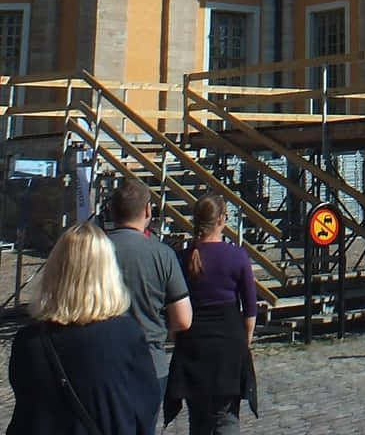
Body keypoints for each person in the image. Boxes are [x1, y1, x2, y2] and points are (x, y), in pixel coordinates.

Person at [7, 221, 160, 435]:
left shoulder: (28, 342)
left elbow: (26, 411)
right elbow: (146, 406)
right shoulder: (126, 335)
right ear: (108, 273)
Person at [165, 193, 258, 433]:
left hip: (194, 343)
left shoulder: (183, 258)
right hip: (228, 342)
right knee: (226, 417)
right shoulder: (237, 256)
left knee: (198, 419)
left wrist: (177, 339)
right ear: (221, 221)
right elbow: (250, 308)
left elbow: (173, 304)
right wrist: (244, 343)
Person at [109, 176, 193, 400]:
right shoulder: (162, 254)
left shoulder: (93, 250)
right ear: (148, 211)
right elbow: (183, 319)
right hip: (149, 359)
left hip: (103, 359)